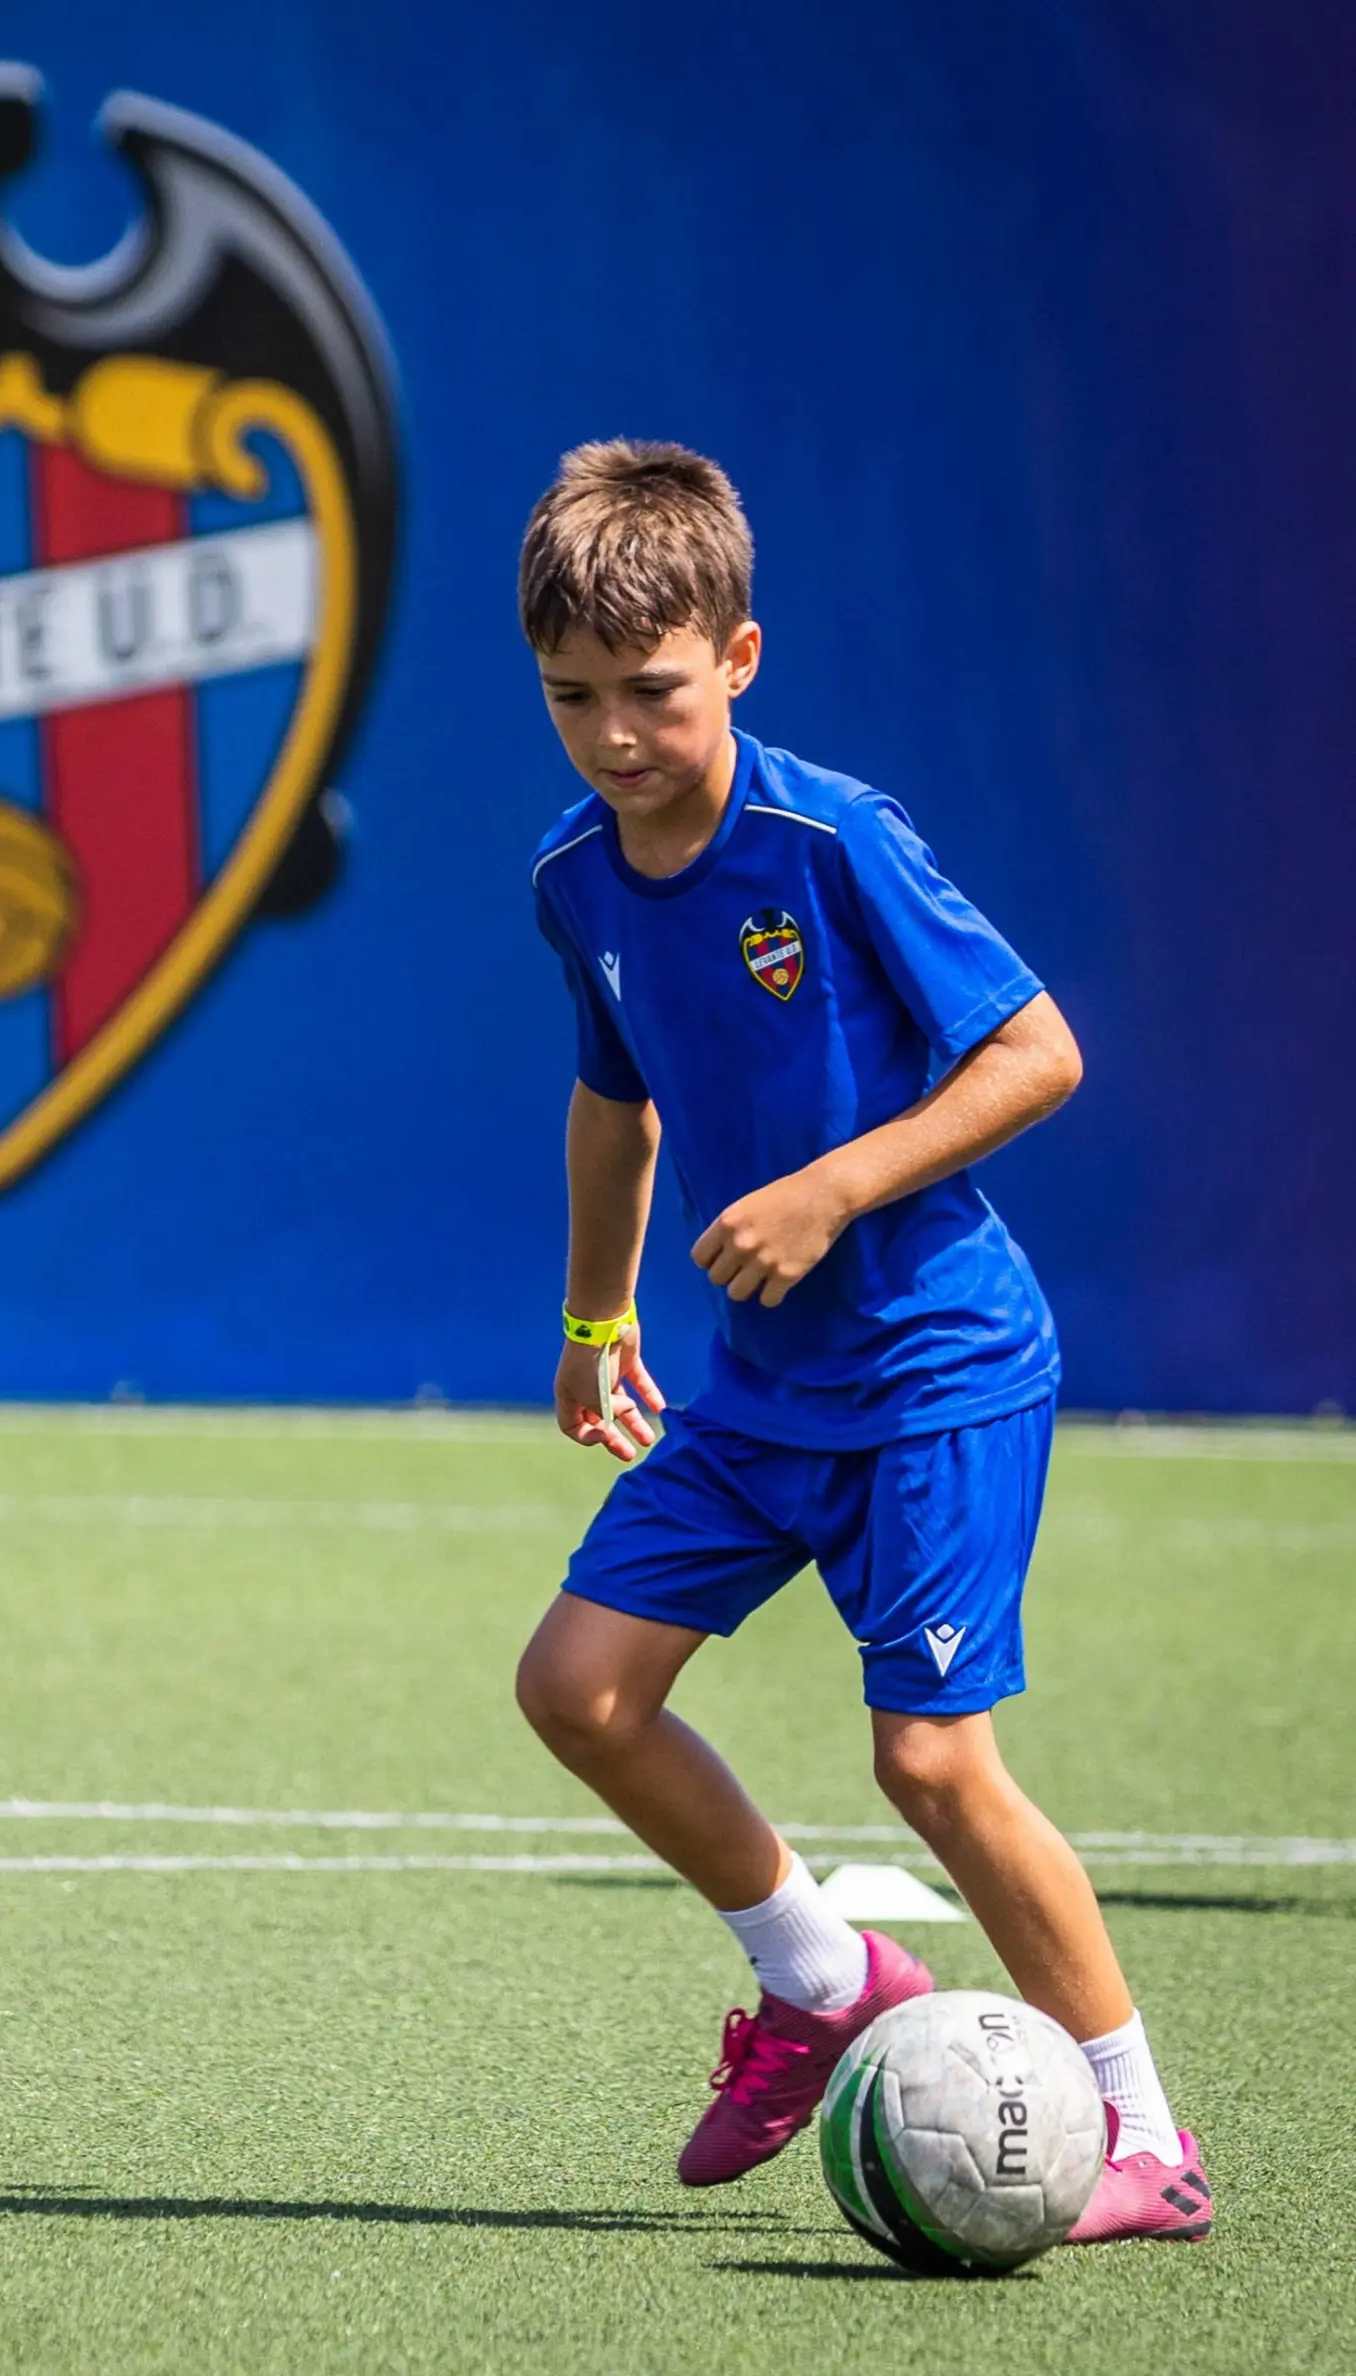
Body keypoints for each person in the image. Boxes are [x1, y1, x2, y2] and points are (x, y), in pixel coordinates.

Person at [513, 440, 1210, 2244]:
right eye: (571, 697)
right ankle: (825, 1979)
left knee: (930, 1764)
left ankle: (1151, 2137)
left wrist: (829, 1190)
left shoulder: (829, 837)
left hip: (936, 1372)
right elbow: (618, 1111)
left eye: (651, 693)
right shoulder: (577, 879)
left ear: (738, 658)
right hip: (761, 1395)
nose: (611, 735)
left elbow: (1040, 1052)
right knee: (579, 1691)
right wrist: (598, 1312)